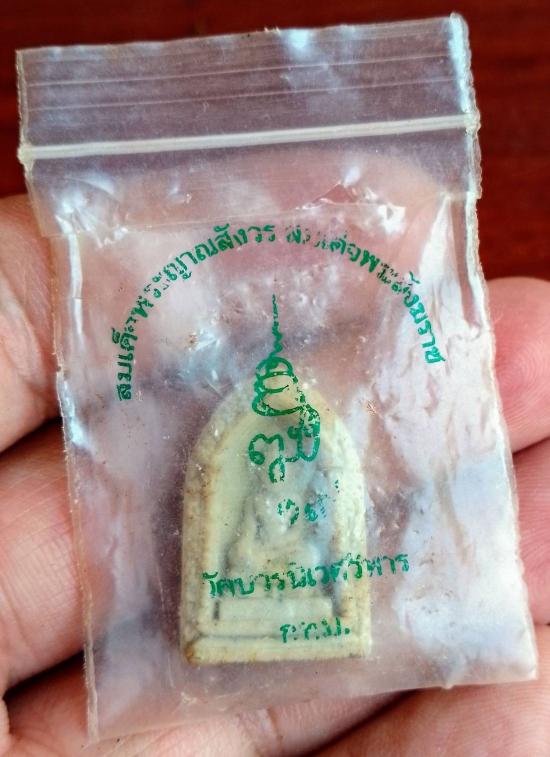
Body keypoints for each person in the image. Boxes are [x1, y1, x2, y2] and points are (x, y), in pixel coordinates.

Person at [0, 193, 549, 755]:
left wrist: (294, 541)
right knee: (246, 555)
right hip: (254, 576)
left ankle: (315, 612)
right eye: (271, 462)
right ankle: (234, 617)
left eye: (286, 461)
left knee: (308, 556)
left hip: (296, 573)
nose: (278, 470)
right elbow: (246, 542)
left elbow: (311, 536)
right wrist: (258, 544)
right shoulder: (257, 491)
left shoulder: (307, 480)